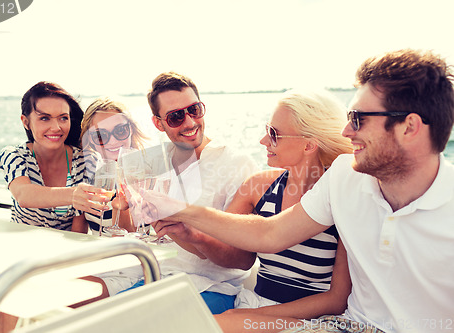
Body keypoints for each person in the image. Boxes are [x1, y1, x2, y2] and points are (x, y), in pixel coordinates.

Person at [151, 49, 454, 332]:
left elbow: (334, 297)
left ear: (410, 127)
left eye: (358, 120)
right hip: (346, 326)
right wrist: (181, 213)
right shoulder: (343, 177)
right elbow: (268, 234)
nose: (346, 132)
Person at [88, 72, 259, 315]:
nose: (189, 122)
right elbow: (136, 229)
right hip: (149, 276)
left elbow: (242, 259)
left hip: (208, 288)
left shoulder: (236, 164)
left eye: (194, 110)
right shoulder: (153, 161)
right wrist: (122, 206)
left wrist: (190, 232)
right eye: (176, 117)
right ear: (159, 123)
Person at [188, 90, 351, 333]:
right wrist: (184, 231)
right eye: (267, 130)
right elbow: (232, 256)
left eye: (274, 134)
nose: (263, 141)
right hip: (254, 307)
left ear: (308, 144)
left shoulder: (341, 199)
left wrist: (249, 316)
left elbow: (336, 299)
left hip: (314, 321)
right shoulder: (259, 187)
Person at [0, 81, 88, 230]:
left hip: (68, 251)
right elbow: (23, 195)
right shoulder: (14, 155)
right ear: (26, 122)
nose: (56, 127)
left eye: (63, 118)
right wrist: (75, 194)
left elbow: (79, 231)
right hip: (22, 245)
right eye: (45, 118)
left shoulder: (82, 161)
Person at [70, 97, 147, 235]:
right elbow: (78, 233)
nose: (112, 141)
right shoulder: (87, 176)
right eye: (100, 135)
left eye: (120, 131)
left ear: (131, 130)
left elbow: (134, 241)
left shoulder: (147, 177)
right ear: (90, 140)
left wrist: (121, 209)